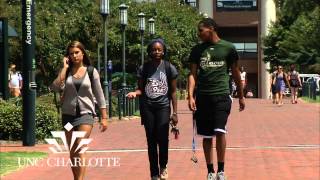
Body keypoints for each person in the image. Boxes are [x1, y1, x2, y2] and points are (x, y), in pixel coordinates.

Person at [188, 18, 245, 180]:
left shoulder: (228, 48)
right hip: (203, 96)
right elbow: (192, 74)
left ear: (211, 28)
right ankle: (210, 171)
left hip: (222, 95)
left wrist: (241, 96)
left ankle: (221, 170)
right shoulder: (197, 50)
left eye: (201, 30)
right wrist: (190, 95)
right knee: (206, 135)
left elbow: (235, 73)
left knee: (220, 131)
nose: (198, 34)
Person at [51, 41, 108, 180]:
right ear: (68, 56)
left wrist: (104, 117)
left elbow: (100, 95)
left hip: (85, 115)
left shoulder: (91, 71)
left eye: (77, 52)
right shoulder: (67, 72)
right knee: (72, 150)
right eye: (71, 54)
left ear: (83, 53)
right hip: (68, 117)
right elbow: (54, 87)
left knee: (80, 145)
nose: (74, 56)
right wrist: (64, 68)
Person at [127, 39, 178, 180]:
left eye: (159, 49)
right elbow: (140, 89)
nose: (156, 52)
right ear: (149, 52)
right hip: (148, 108)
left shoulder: (169, 68)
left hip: (163, 107)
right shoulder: (144, 68)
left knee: (162, 139)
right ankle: (154, 173)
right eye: (154, 50)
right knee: (151, 140)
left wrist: (175, 113)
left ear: (163, 51)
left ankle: (163, 166)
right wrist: (134, 93)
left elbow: (173, 92)